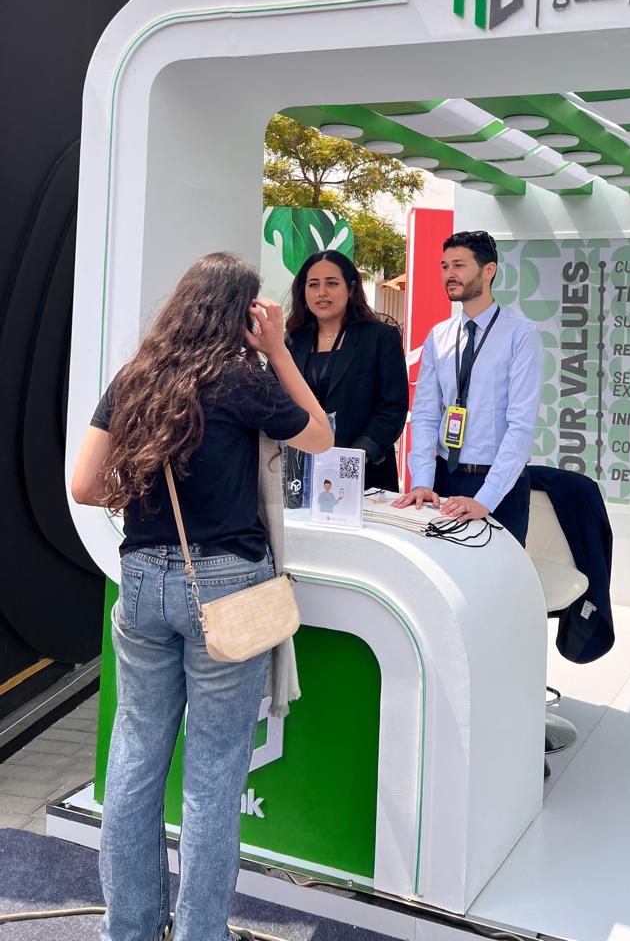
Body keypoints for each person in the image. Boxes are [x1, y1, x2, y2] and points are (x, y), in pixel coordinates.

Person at [70, 252, 333, 941]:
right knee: (213, 778)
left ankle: (129, 928)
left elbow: (85, 486)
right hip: (227, 589)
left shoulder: (135, 376)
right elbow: (321, 436)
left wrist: (143, 494)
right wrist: (278, 351)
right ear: (241, 314)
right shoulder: (241, 378)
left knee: (134, 760)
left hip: (141, 582)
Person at [394, 230, 543, 543]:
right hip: (445, 482)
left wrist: (486, 498)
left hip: (498, 487)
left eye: (459, 265)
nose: (449, 274)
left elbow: (520, 426)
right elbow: (425, 414)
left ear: (489, 271)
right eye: (445, 266)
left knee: (497, 572)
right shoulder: (439, 335)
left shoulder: (520, 335)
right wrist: (422, 481)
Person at [284, 250, 408, 492]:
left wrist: (352, 459)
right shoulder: (291, 342)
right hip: (300, 474)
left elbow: (392, 409)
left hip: (365, 473)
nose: (321, 292)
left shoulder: (381, 337)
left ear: (351, 289)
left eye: (332, 283)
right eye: (313, 284)